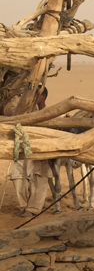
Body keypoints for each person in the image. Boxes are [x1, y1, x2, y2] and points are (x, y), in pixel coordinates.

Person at [9, 87, 53, 217]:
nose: (33, 98)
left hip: (40, 152)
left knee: (39, 180)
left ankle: (33, 209)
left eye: (36, 95)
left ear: (43, 97)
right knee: (17, 176)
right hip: (24, 151)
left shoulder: (49, 113)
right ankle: (23, 206)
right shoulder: (27, 112)